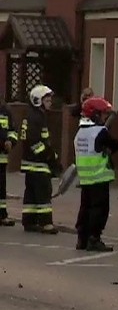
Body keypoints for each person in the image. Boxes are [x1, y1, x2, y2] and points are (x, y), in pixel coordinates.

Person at [73, 96, 118, 252]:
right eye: (103, 114)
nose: (105, 117)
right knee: (99, 209)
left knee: (85, 208)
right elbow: (115, 144)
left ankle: (82, 239)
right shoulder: (100, 131)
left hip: (85, 178)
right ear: (96, 115)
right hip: (99, 177)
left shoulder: (80, 132)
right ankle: (94, 239)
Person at [20, 85, 60, 234]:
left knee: (31, 194)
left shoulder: (33, 115)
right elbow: (35, 142)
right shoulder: (37, 116)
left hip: (30, 164)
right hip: (38, 164)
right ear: (38, 100)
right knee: (44, 192)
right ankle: (46, 223)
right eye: (47, 100)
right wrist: (50, 157)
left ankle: (29, 222)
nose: (50, 102)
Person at [0, 95, 18, 227]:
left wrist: (11, 141)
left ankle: (2, 215)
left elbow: (13, 131)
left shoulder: (6, 111)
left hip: (2, 158)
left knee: (1, 188)